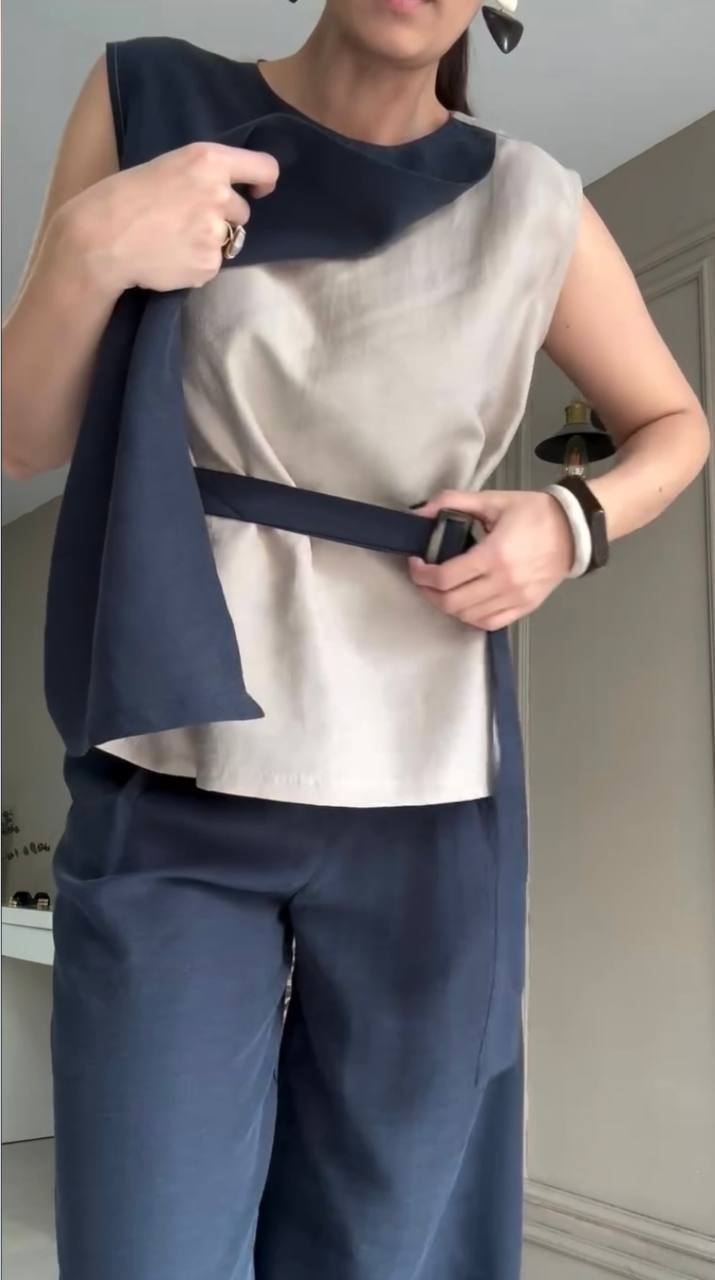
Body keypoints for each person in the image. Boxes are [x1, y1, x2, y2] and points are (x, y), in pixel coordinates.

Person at [2, 2, 710, 1278]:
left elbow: (675, 423)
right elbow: (22, 437)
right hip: (176, 764)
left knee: (381, 1244)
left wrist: (571, 522)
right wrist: (87, 248)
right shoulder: (150, 97)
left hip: (429, 789)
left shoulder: (533, 201)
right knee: (143, 1243)